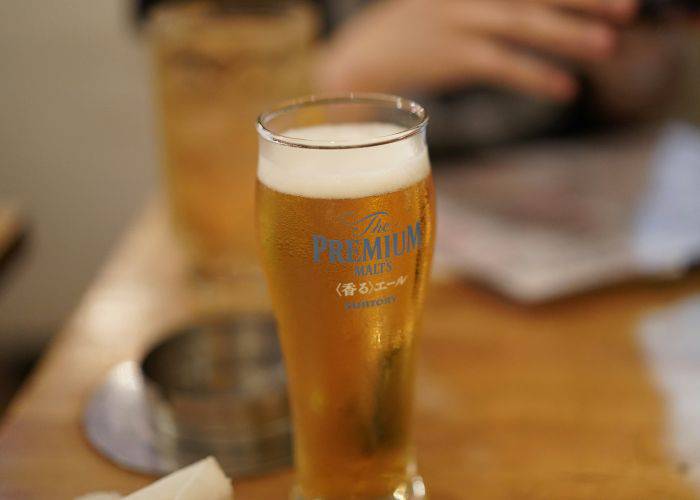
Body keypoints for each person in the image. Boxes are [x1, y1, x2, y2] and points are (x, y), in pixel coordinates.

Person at [138, 0, 690, 150]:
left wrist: (636, 68)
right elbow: (204, 144)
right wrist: (347, 74)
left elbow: (657, 73)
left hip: (587, 281)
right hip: (315, 267)